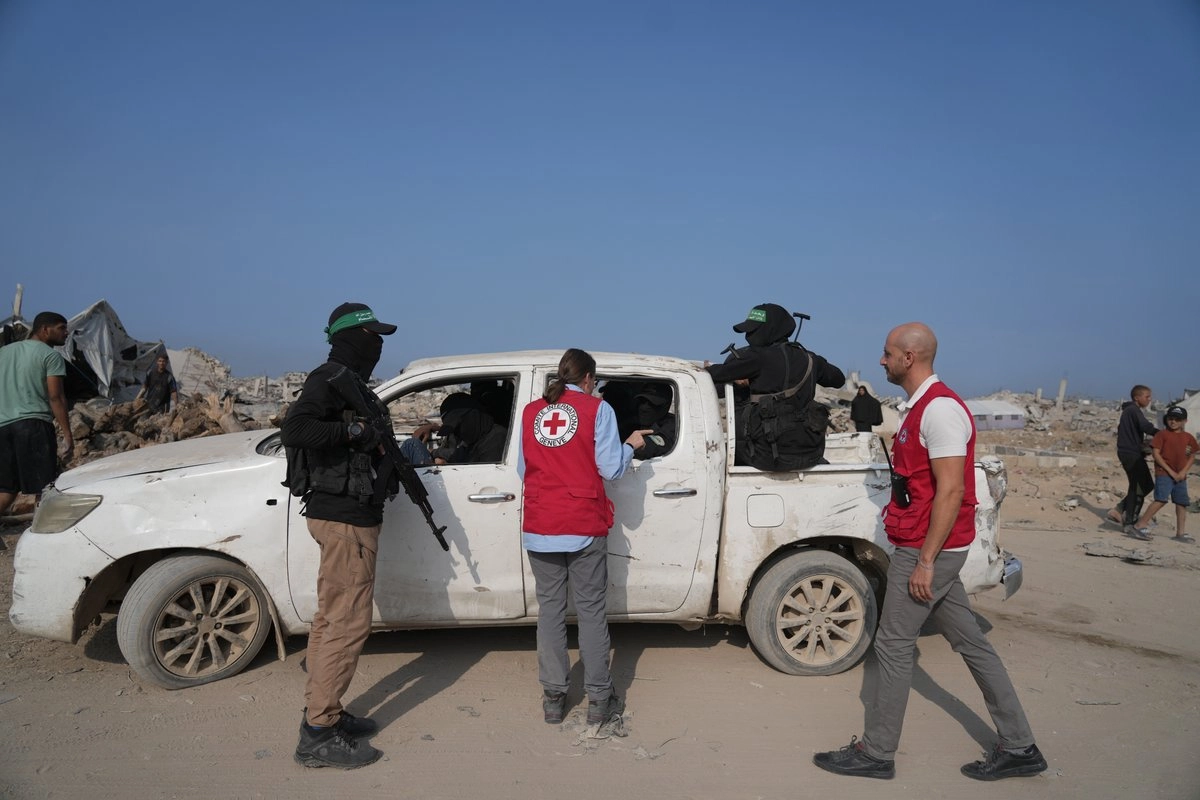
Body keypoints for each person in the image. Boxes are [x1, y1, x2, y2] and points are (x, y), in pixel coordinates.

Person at [814, 322, 1046, 782]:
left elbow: (952, 489)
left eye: (887, 354)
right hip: (930, 545)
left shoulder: (940, 411)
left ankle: (877, 753)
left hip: (928, 549)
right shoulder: (919, 407)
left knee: (893, 644)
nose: (881, 361)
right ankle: (1020, 746)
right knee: (971, 643)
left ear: (909, 358)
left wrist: (923, 560)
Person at [281, 301, 398, 770]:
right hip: (344, 517)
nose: (380, 344)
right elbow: (297, 427)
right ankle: (318, 732)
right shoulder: (328, 377)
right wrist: (353, 430)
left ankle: (325, 712)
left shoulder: (347, 381)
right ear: (352, 337)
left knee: (331, 618)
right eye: (373, 336)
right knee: (347, 622)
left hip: (346, 513)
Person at [518, 348, 650, 727]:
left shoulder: (531, 412)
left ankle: (554, 699)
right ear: (589, 378)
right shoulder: (598, 410)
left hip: (541, 524)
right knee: (591, 612)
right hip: (581, 523)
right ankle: (598, 700)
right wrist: (631, 446)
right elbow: (609, 468)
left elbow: (522, 468)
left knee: (550, 612)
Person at [705, 303, 845, 470]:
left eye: (753, 331)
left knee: (716, 454)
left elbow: (717, 374)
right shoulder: (811, 359)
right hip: (810, 455)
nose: (749, 336)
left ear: (769, 330)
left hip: (767, 456)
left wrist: (707, 368)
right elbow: (838, 379)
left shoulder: (758, 358)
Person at [0, 312, 74, 524]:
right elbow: (56, 396)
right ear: (44, 329)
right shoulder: (50, 356)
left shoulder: (3, 352)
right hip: (33, 426)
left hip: (2, 427)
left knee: (5, 489)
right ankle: (43, 534)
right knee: (45, 488)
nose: (66, 333)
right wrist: (67, 434)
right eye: (61, 328)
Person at [1132, 406, 1197, 543]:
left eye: (1177, 419)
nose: (1173, 422)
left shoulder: (1188, 437)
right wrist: (1171, 471)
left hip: (1181, 476)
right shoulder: (1162, 435)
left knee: (1181, 502)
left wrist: (1183, 472)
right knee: (1161, 499)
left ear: (1184, 421)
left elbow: (1192, 455)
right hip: (1164, 473)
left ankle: (1180, 533)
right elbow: (1156, 454)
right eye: (1170, 419)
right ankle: (1140, 524)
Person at [1107, 385, 1157, 530]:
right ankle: (1130, 522)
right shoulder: (1133, 410)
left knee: (1146, 485)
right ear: (1137, 397)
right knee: (1139, 486)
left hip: (1132, 452)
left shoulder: (1131, 411)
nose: (1149, 400)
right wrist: (1163, 435)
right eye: (1147, 397)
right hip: (1130, 454)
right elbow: (1146, 427)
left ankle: (1118, 510)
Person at [630, 383, 676, 459]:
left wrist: (627, 448)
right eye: (642, 402)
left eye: (651, 404)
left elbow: (647, 446)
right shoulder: (633, 422)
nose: (643, 408)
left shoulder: (671, 427)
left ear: (665, 406)